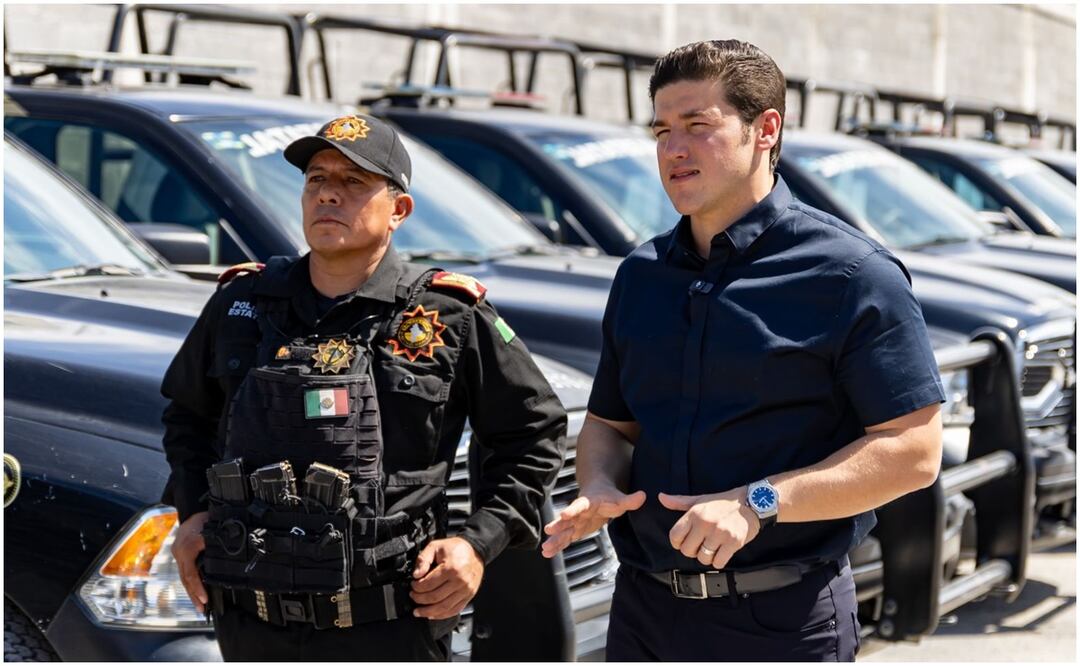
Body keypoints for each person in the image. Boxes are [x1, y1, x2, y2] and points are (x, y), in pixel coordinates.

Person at [542, 40, 945, 661]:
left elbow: (913, 451)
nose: (673, 149)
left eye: (698, 126)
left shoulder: (851, 274)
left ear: (766, 129)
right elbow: (609, 425)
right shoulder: (641, 275)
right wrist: (597, 485)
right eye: (662, 131)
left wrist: (759, 503)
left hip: (780, 621)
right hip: (642, 616)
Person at [161, 113, 567, 661]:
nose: (329, 194)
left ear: (398, 209)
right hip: (252, 624)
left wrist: (477, 545)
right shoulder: (244, 304)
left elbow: (533, 433)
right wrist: (191, 515)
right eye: (316, 180)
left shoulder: (448, 314)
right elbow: (187, 417)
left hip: (389, 628)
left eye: (353, 182)